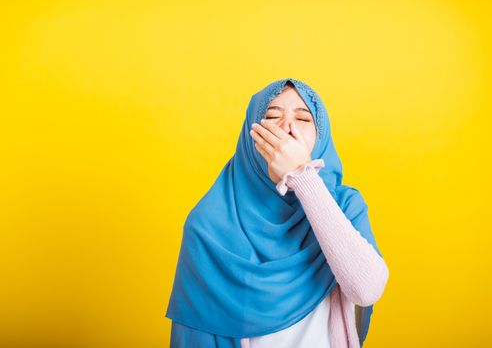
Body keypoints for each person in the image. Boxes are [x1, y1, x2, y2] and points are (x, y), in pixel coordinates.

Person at [165, 78, 389, 348]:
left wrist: (302, 178)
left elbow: (366, 289)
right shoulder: (207, 226)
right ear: (251, 136)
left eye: (304, 119)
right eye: (272, 117)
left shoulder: (343, 205)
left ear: (322, 137)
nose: (287, 128)